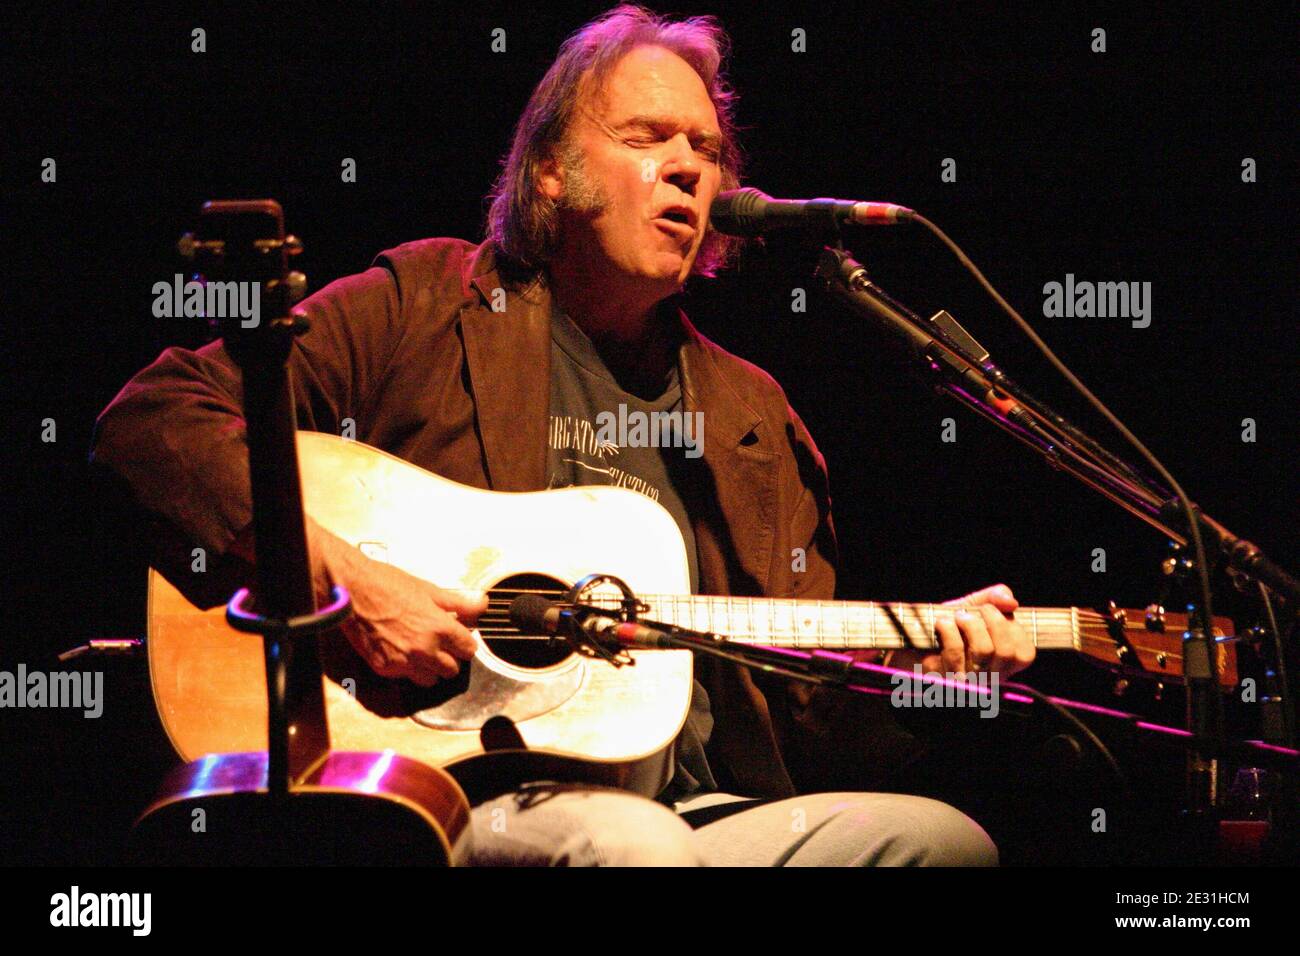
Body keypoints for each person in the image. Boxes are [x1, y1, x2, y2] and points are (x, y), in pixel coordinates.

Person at [92, 5, 1033, 865]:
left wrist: (915, 662)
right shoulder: (426, 305)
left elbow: (805, 708)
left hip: (711, 812)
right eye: (646, 137)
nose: (689, 166)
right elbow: (154, 422)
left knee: (940, 843)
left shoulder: (752, 415)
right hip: (463, 790)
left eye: (705, 147)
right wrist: (339, 574)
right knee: (637, 846)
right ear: (550, 166)